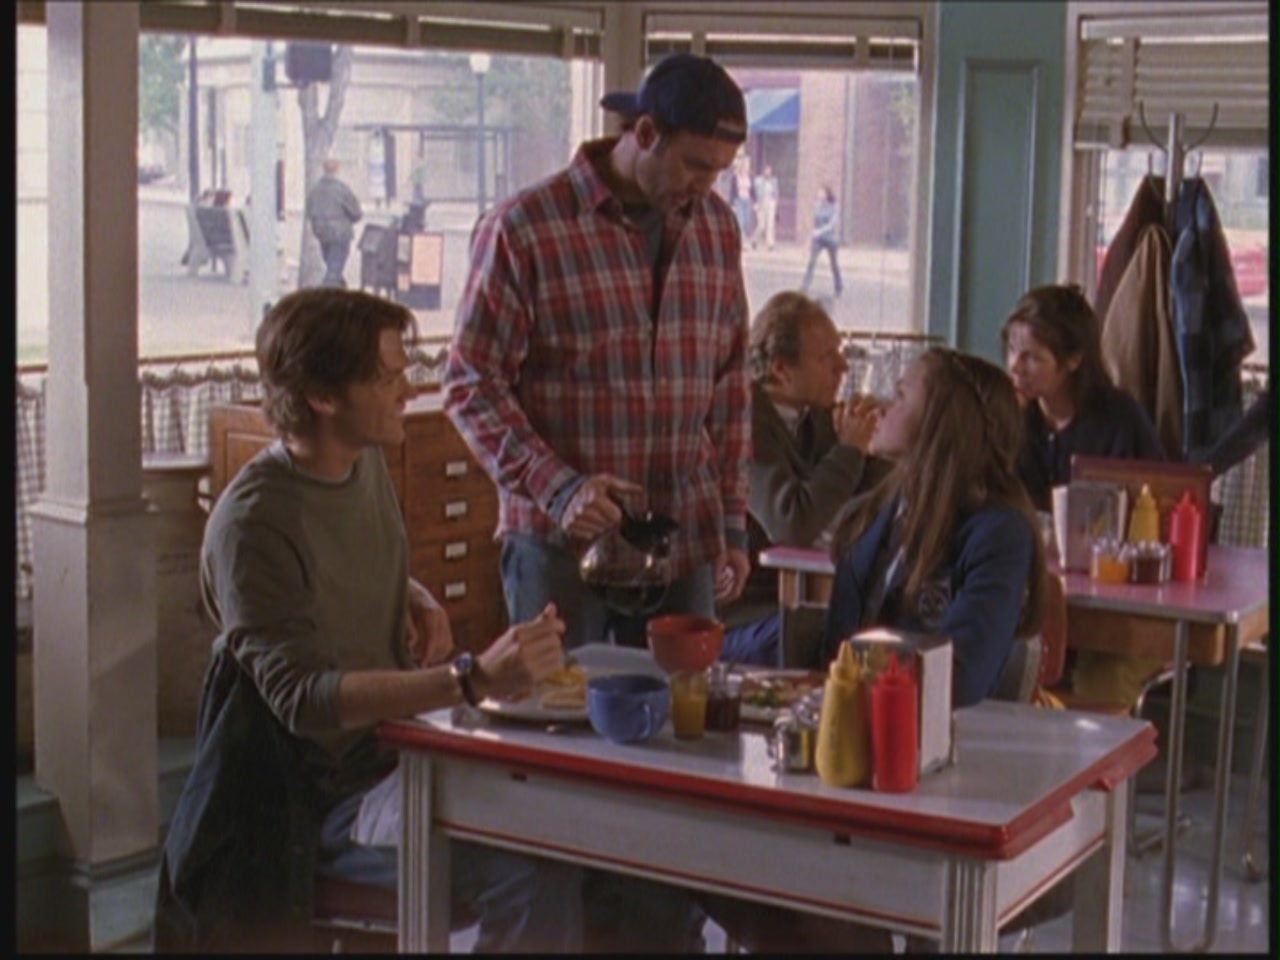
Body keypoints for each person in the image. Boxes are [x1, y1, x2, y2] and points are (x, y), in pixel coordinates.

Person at [154, 288, 582, 953]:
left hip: (397, 756)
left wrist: (412, 592)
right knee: (533, 871)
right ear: (322, 398)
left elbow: (336, 558)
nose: (409, 390)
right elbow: (305, 699)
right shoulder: (251, 525)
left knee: (574, 825)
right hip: (320, 805)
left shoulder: (363, 460)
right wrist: (469, 679)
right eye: (387, 379)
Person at [443, 51, 752, 953]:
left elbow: (730, 388)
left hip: (682, 545)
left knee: (679, 766)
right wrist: (559, 484)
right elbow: (469, 383)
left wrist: (731, 522)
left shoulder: (715, 228)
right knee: (555, 763)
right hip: (556, 547)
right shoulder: (527, 227)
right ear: (641, 133)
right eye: (693, 165)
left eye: (718, 172)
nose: (704, 187)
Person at [704, 347, 1046, 954]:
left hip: (932, 777)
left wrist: (841, 684)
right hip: (847, 758)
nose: (884, 403)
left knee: (778, 877)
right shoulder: (890, 508)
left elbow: (962, 673)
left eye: (904, 392)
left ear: (943, 419)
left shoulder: (998, 531)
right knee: (716, 851)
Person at [720, 291, 888, 667]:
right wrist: (850, 450)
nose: (842, 367)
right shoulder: (746, 421)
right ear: (781, 369)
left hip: (800, 599)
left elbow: (855, 488)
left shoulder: (813, 416)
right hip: (744, 613)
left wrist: (884, 443)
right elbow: (792, 522)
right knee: (836, 639)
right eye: (827, 357)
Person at [1002, 283, 1165, 513]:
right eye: (1011, 350)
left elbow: (1156, 499)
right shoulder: (1007, 414)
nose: (1014, 366)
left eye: (1032, 357)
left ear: (1074, 359)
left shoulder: (1121, 420)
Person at [305, 157, 363, 288]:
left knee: (332, 266)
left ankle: (340, 288)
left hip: (321, 233)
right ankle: (327, 292)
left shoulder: (315, 190)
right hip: (340, 234)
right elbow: (356, 212)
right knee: (334, 269)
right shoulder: (342, 189)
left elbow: (309, 211)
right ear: (337, 170)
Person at [801, 185, 843, 298]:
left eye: (821, 192)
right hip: (818, 240)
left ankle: (838, 287)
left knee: (834, 264)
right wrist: (809, 239)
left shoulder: (834, 206)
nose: (819, 194)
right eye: (819, 192)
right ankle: (805, 286)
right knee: (812, 261)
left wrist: (819, 232)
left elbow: (832, 224)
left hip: (831, 239)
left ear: (827, 194)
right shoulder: (817, 206)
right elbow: (815, 223)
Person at [750, 163, 779, 250]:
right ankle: (754, 239)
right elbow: (755, 192)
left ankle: (770, 244)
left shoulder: (774, 181)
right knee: (761, 225)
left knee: (770, 224)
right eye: (766, 170)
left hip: (771, 202)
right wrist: (756, 203)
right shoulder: (758, 180)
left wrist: (776, 202)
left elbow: (776, 192)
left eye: (769, 170)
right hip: (761, 202)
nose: (768, 172)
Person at [727, 153, 755, 238]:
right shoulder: (735, 177)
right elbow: (732, 191)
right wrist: (731, 204)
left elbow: (753, 190)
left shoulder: (750, 177)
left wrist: (755, 202)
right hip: (738, 200)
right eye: (744, 166)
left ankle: (745, 236)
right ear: (741, 167)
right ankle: (741, 238)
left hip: (748, 200)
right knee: (740, 220)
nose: (745, 168)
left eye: (746, 166)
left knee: (747, 221)